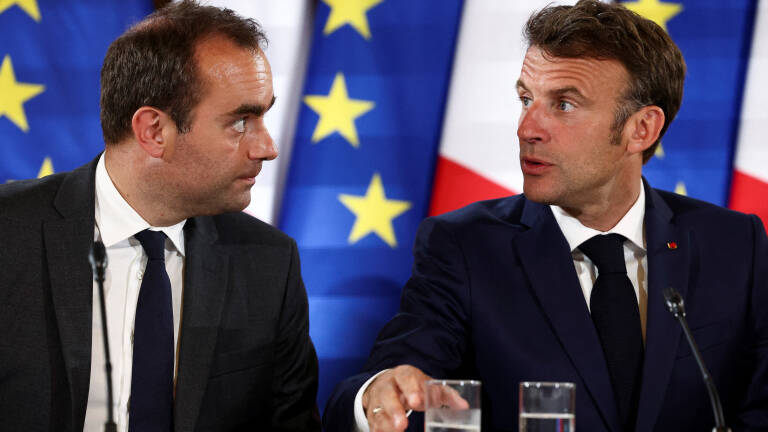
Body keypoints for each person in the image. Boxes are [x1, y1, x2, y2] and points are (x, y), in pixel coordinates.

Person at [322, 1, 768, 431]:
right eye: (525, 99)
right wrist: (378, 394)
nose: (527, 129)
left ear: (641, 129)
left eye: (564, 104)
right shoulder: (465, 247)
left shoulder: (735, 245)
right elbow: (398, 378)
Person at [0, 2, 320, 431]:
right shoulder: (8, 233)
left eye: (263, 116)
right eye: (241, 122)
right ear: (153, 131)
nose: (267, 147)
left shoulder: (269, 263)